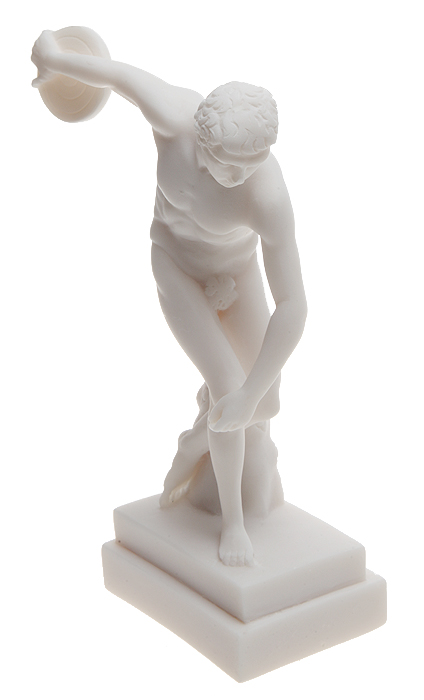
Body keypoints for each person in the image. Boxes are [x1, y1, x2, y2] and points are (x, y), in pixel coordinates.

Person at [32, 30, 308, 566]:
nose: (237, 176)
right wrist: (56, 58)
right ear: (202, 138)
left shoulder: (267, 195)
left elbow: (294, 305)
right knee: (228, 388)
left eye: (250, 165)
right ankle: (233, 525)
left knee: (264, 402)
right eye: (227, 162)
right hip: (177, 265)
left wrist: (254, 394)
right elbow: (119, 77)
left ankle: (193, 443)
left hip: (236, 271)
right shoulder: (177, 116)